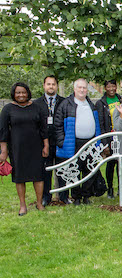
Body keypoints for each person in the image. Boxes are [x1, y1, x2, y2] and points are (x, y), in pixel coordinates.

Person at [55, 79, 107, 205]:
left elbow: (97, 124)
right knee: (74, 170)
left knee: (90, 169)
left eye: (84, 88)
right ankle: (76, 197)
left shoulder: (90, 104)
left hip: (90, 142)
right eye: (80, 88)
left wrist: (98, 142)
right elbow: (58, 125)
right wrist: (62, 141)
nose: (82, 90)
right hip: (73, 143)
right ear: (74, 89)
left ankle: (86, 195)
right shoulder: (66, 104)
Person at [0, 83, 48, 215]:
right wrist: (3, 151)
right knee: (19, 177)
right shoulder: (8, 109)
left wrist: (46, 145)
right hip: (17, 148)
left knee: (38, 176)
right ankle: (23, 206)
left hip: (35, 147)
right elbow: (3, 131)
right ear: (13, 94)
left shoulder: (36, 108)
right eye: (18, 93)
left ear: (28, 93)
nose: (21, 95)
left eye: (23, 92)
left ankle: (39, 203)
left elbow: (44, 128)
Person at [33, 75, 66, 205]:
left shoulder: (64, 102)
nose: (51, 86)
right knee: (45, 171)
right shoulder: (36, 103)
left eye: (53, 84)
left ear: (57, 86)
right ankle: (46, 197)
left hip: (60, 141)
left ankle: (63, 196)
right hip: (44, 143)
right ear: (44, 86)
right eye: (48, 84)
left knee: (62, 170)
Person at [96, 80, 121, 199]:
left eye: (113, 86)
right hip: (109, 137)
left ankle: (121, 188)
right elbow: (100, 124)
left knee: (121, 162)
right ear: (105, 88)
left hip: (121, 136)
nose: (111, 88)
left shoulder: (120, 99)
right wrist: (104, 143)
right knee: (111, 163)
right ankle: (110, 188)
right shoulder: (101, 103)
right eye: (109, 86)